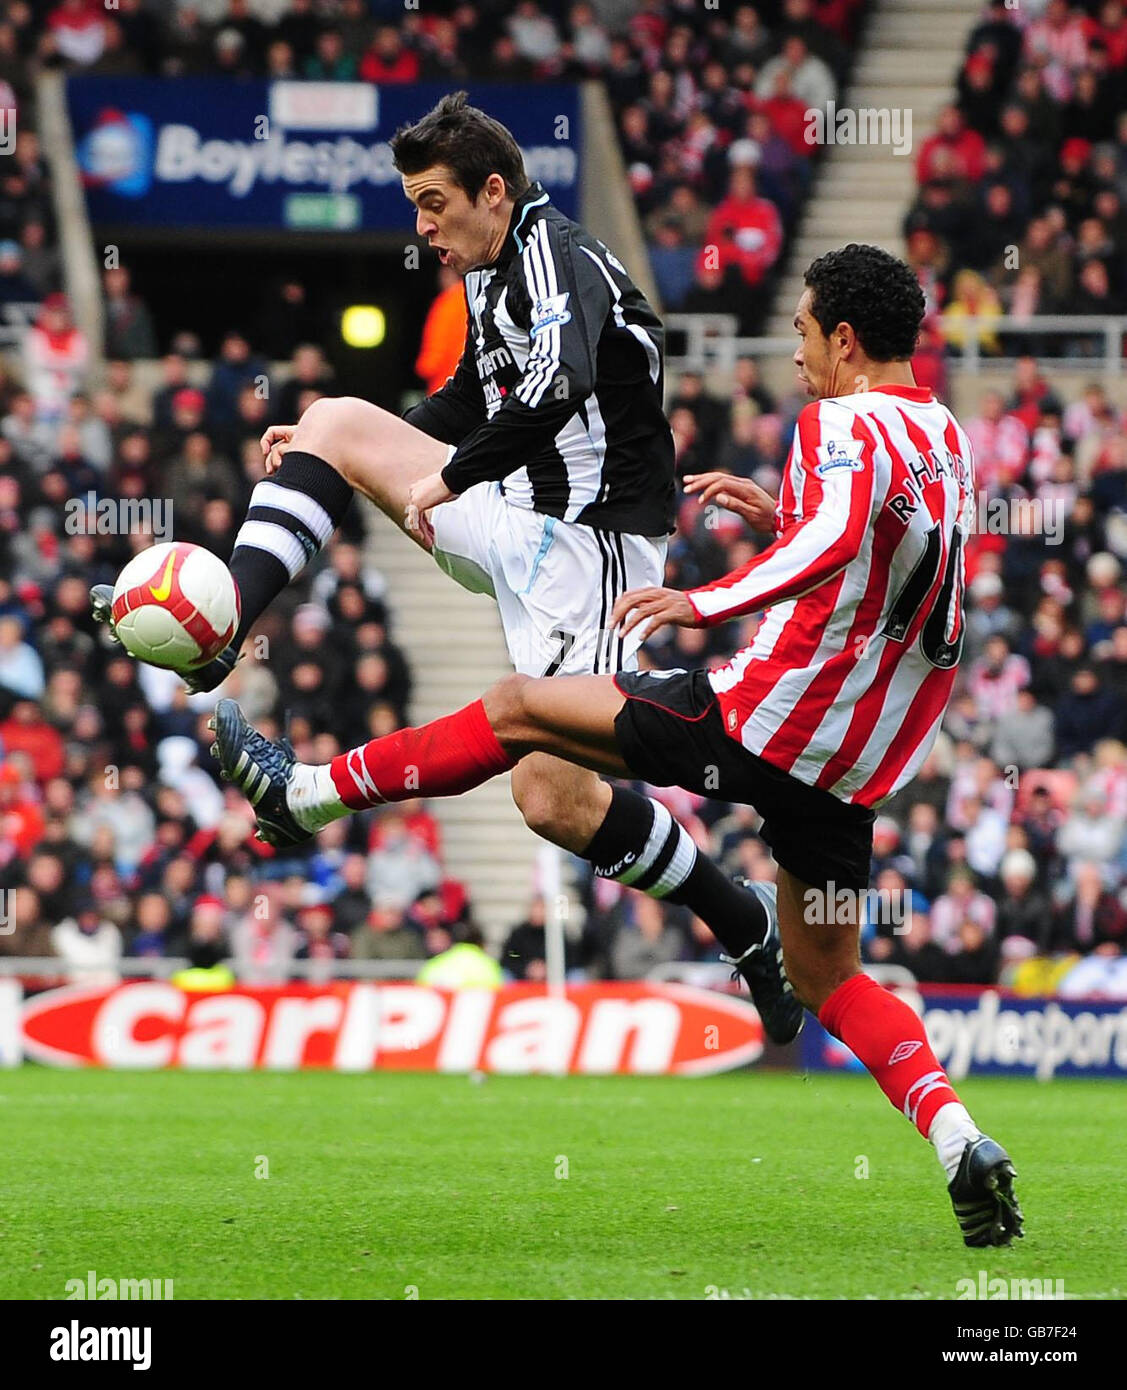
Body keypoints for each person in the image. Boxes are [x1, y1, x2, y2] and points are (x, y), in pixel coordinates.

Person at [213, 244, 1023, 1249]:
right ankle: (959, 1141)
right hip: (856, 765)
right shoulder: (940, 433)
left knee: (520, 709)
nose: (798, 356)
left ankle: (305, 796)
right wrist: (783, 518)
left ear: (845, 340)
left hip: (764, 719)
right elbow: (894, 554)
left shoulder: (837, 420)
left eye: (807, 336)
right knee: (828, 977)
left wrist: (703, 597)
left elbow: (830, 544)